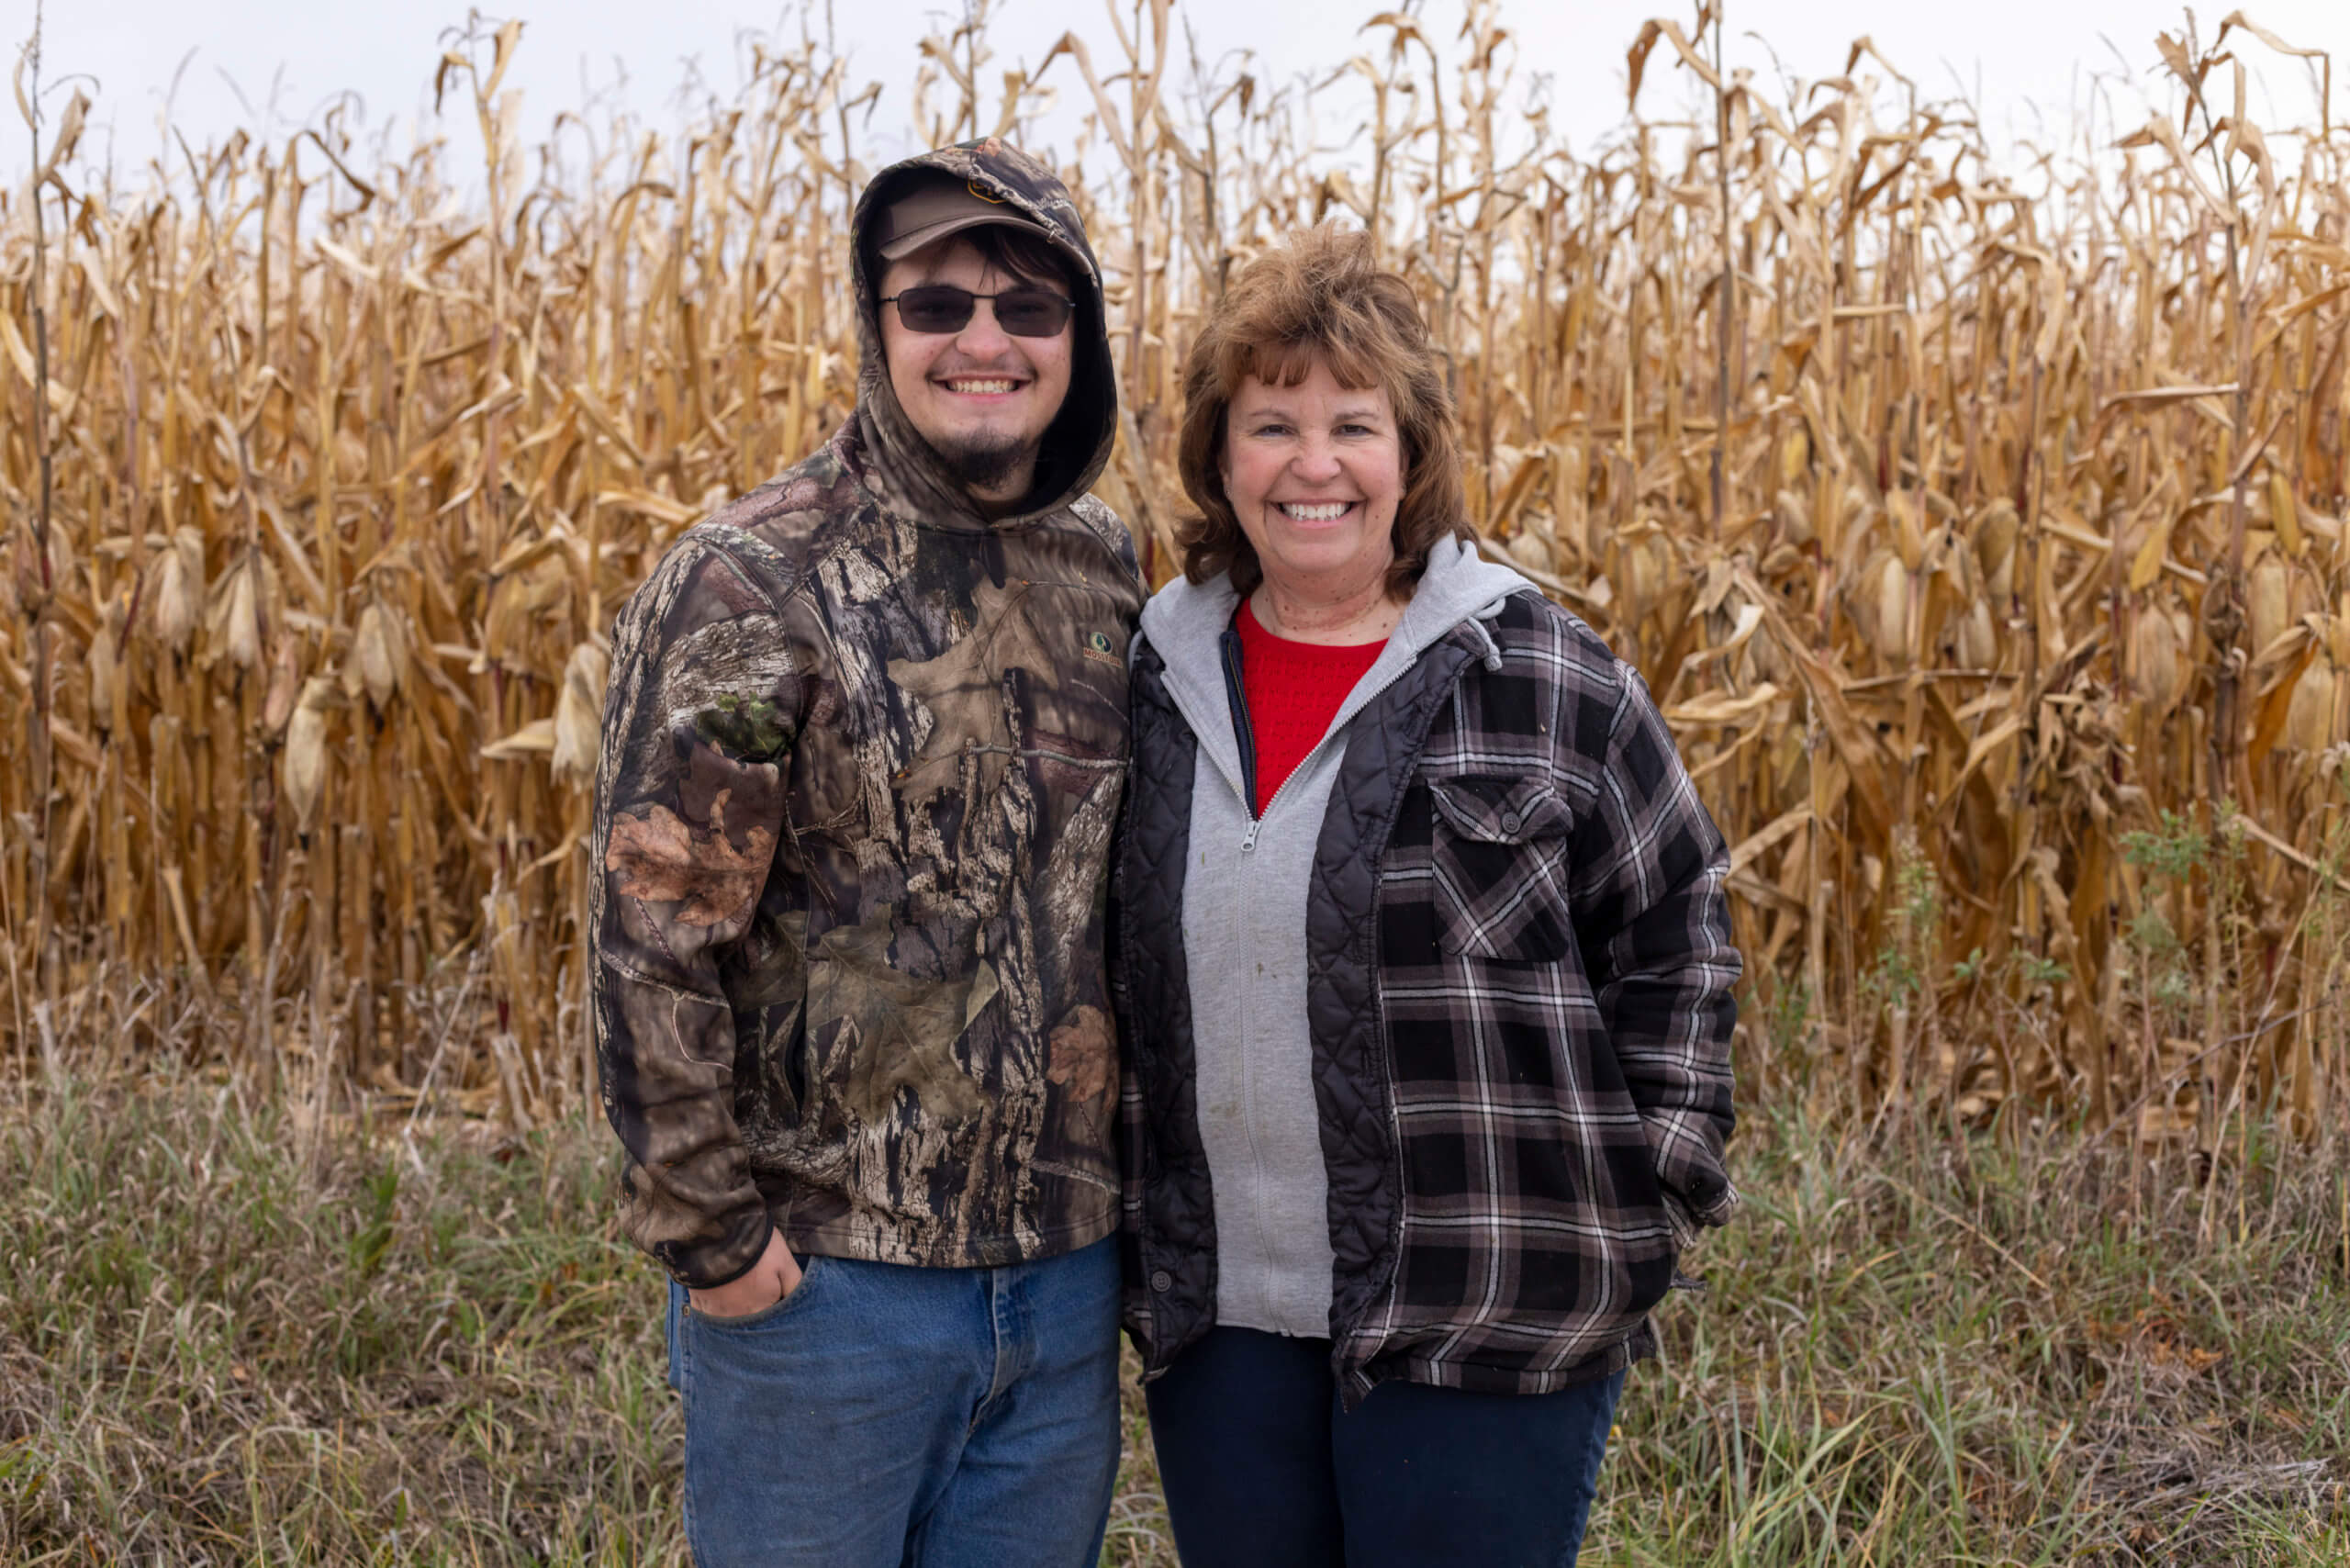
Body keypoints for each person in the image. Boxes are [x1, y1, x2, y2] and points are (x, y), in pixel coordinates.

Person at [1112, 225, 1741, 1568]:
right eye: (1272, 425)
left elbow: (1679, 926)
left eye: (1354, 423)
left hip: (1487, 1301)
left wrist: (1655, 1181)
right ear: (1222, 458)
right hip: (1222, 1311)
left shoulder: (1539, 674)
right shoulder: (1148, 682)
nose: (1314, 464)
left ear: (1412, 455)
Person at [590, 140, 1144, 1568]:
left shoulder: (1110, 574)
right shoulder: (748, 576)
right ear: (873, 322)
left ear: (1078, 340)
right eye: (936, 304)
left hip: (1063, 1287)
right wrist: (723, 1254)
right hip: (828, 1294)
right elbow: (652, 936)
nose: (983, 340)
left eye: (1030, 308)